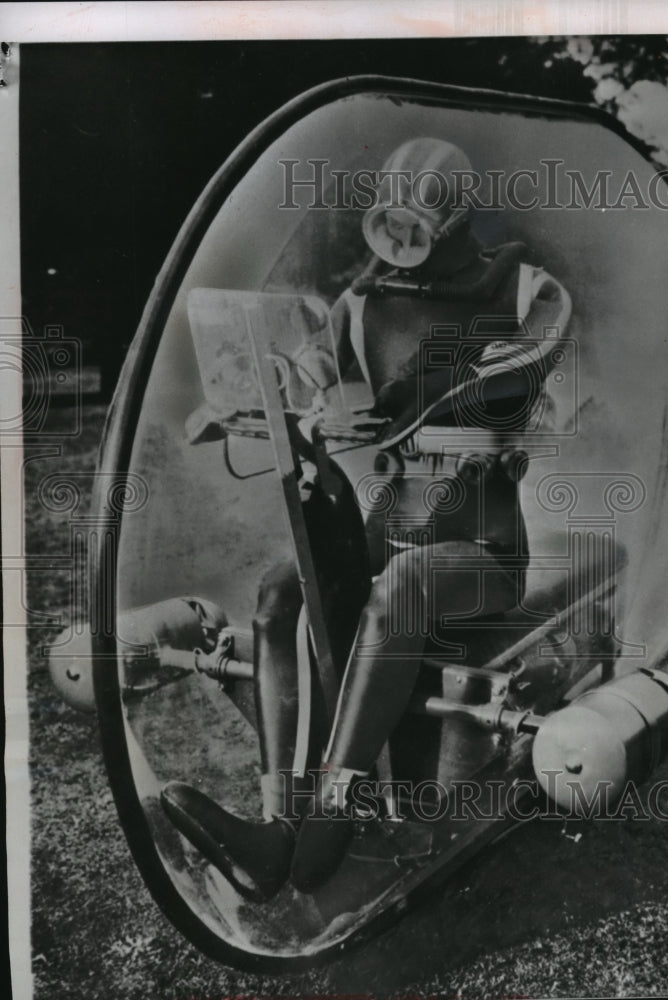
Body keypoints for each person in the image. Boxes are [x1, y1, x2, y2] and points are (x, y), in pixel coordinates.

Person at [161, 138, 572, 901]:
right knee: (283, 592)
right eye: (394, 217)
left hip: (480, 550)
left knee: (401, 589)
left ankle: (334, 813)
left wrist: (431, 406)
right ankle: (276, 825)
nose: (404, 235)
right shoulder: (361, 300)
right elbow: (310, 369)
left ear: (455, 216)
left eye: (422, 218)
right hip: (387, 530)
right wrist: (259, 396)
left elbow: (530, 367)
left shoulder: (525, 288)